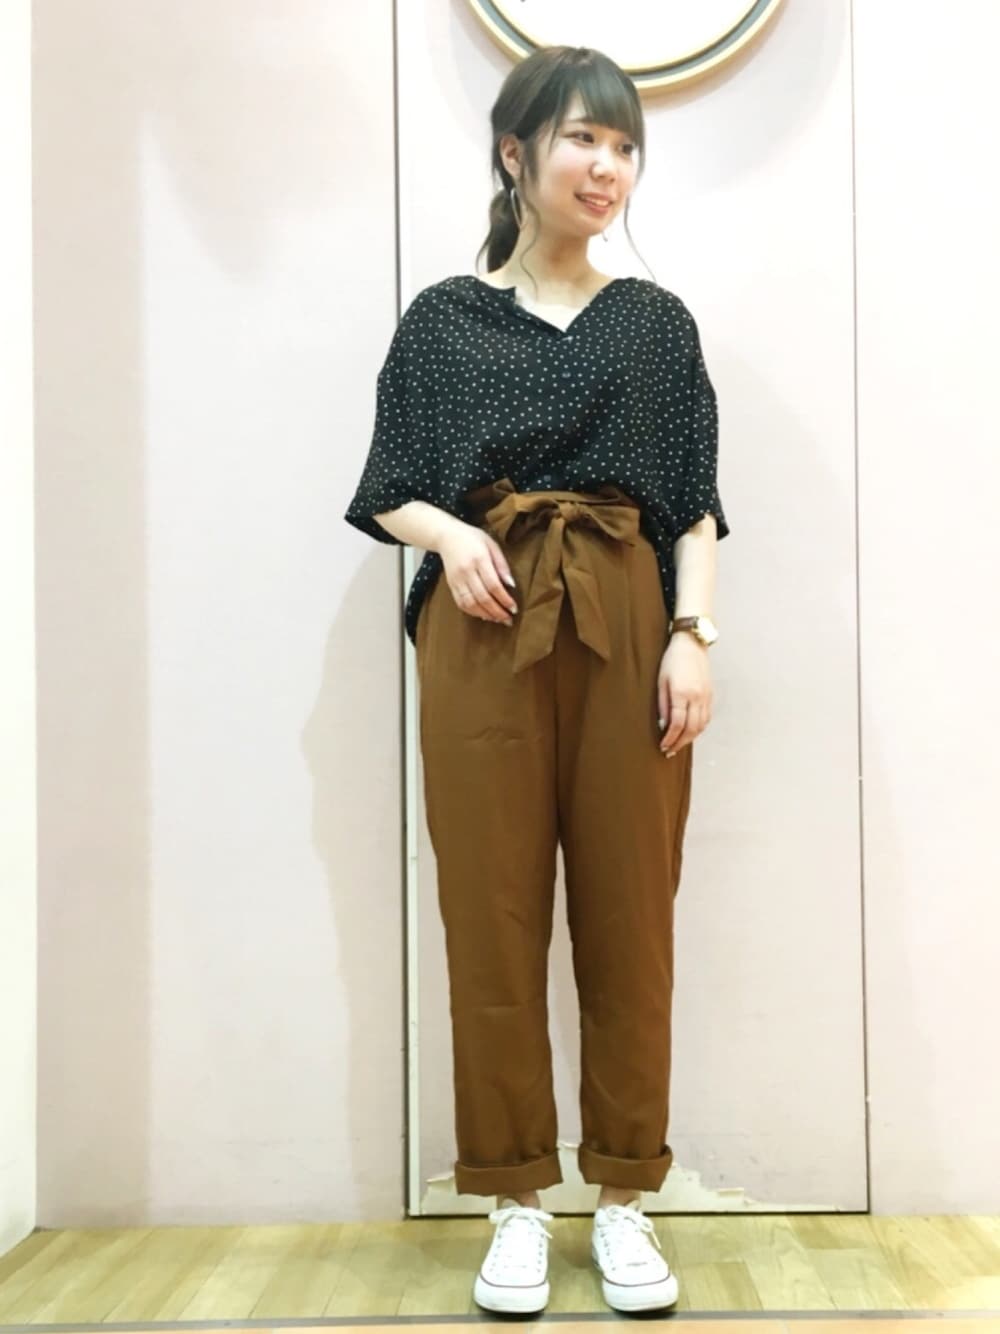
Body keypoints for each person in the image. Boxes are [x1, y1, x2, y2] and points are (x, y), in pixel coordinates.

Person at [345, 44, 730, 1317]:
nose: (605, 166)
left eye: (623, 146)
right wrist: (450, 534)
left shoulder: (655, 324)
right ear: (515, 153)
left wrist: (693, 633)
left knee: (631, 918)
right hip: (483, 627)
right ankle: (513, 1197)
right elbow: (387, 484)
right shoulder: (442, 321)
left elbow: (693, 502)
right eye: (580, 139)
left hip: (628, 621)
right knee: (491, 915)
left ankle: (622, 1197)